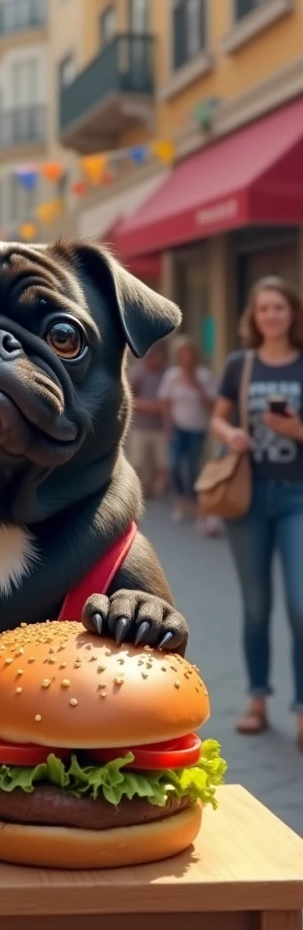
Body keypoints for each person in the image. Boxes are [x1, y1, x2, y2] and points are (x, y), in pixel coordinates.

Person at [212, 276, 303, 745]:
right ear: (255, 316)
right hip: (246, 498)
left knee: (300, 604)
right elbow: (218, 416)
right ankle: (256, 698)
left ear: (291, 314)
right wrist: (230, 435)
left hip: (297, 498)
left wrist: (294, 431)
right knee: (256, 607)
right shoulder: (240, 364)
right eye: (264, 308)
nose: (271, 315)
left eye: (279, 307)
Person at [158, 336, 218, 533]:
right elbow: (166, 404)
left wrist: (196, 383)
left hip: (197, 428)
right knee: (175, 465)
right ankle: (182, 501)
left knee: (193, 468)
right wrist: (168, 427)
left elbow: (212, 404)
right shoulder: (172, 376)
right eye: (182, 354)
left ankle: (194, 503)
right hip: (178, 427)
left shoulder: (204, 375)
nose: (186, 358)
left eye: (189, 354)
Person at [127, 340, 170, 498]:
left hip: (159, 427)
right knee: (138, 461)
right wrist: (152, 407)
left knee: (161, 463)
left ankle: (156, 490)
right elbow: (129, 398)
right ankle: (139, 491)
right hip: (141, 426)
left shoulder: (166, 374)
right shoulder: (138, 373)